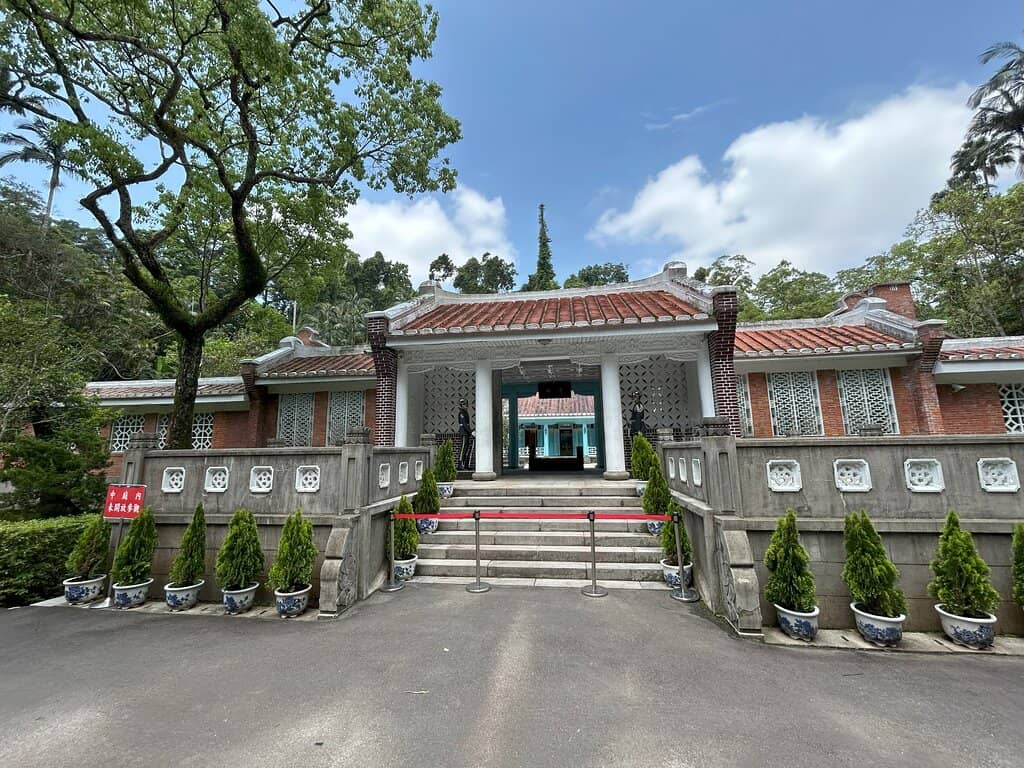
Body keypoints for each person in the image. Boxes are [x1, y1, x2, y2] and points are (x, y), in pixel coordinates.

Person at [457, 398, 474, 470]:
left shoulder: (465, 412)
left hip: (466, 432)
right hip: (464, 432)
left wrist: (470, 431)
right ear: (461, 405)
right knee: (463, 448)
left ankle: (465, 464)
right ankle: (460, 464)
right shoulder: (461, 413)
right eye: (464, 404)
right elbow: (464, 424)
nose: (466, 406)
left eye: (466, 404)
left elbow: (467, 424)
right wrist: (470, 432)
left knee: (466, 449)